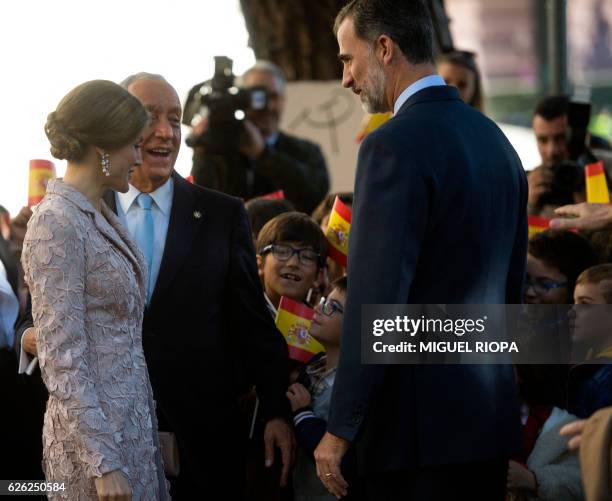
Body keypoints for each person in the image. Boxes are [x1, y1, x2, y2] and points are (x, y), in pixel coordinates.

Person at [19, 73, 293, 500]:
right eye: (145, 121)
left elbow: (252, 324)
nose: (163, 134)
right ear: (110, 135)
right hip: (102, 446)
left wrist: (276, 407)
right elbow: (59, 343)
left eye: (176, 119)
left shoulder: (215, 216)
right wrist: (103, 459)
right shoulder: (63, 218)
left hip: (193, 439)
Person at [314, 1, 527, 500]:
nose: (345, 79)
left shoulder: (391, 144)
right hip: (486, 425)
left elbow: (376, 298)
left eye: (348, 59)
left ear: (384, 49)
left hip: (414, 439)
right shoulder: (496, 139)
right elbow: (511, 290)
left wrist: (341, 425)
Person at [21, 79, 168, 500]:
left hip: (131, 432)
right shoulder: (56, 222)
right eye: (133, 146)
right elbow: (62, 357)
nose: (138, 158)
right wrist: (104, 463)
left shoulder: (97, 214)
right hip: (94, 452)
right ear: (105, 148)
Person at [190, 61, 330, 213]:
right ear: (241, 100)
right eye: (258, 97)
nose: (267, 107)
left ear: (283, 101)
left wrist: (263, 154)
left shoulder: (306, 151)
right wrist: (202, 150)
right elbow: (199, 202)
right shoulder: (220, 151)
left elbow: (315, 197)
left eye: (274, 97)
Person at [286, 276, 359, 501]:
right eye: (325, 300)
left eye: (333, 308)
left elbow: (340, 449)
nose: (318, 308)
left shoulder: (354, 384)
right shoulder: (314, 364)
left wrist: (302, 415)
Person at [567, 265, 612, 419]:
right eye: (574, 302)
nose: (572, 311)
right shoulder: (591, 360)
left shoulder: (605, 378)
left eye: (585, 304)